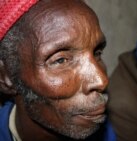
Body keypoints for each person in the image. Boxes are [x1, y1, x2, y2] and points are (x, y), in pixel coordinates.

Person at [0, 0, 116, 141]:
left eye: (97, 53)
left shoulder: (103, 131)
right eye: (61, 60)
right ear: (6, 76)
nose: (101, 80)